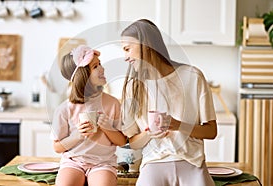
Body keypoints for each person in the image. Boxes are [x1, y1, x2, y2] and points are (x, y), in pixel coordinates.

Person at [120, 19, 217, 186]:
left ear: (145, 44)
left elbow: (211, 131)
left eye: (128, 49)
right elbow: (133, 142)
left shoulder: (192, 76)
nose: (125, 57)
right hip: (153, 164)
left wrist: (178, 125)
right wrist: (149, 133)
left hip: (192, 163)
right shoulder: (133, 88)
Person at [51, 45, 127, 186]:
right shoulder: (64, 109)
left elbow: (122, 141)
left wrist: (107, 127)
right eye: (95, 67)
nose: (102, 68)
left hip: (102, 164)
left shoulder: (113, 103)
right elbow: (57, 147)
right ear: (83, 76)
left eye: (100, 64)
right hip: (73, 162)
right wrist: (78, 136)